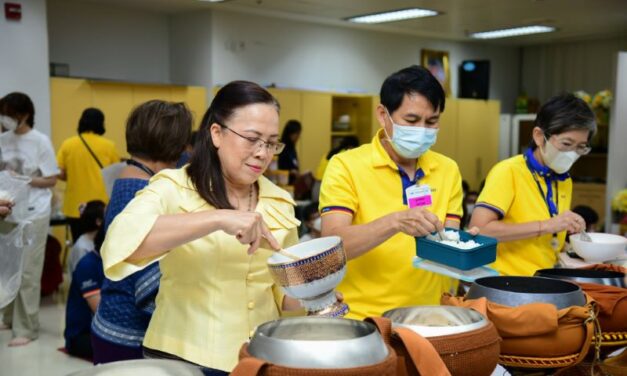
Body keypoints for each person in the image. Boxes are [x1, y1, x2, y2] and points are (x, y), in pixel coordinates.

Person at [100, 81, 303, 374]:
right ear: (216, 133)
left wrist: (313, 293)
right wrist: (218, 218)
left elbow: (281, 291)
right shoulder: (173, 187)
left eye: (271, 143)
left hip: (257, 358)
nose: (263, 152)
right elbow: (120, 244)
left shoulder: (279, 200)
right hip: (184, 358)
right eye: (251, 138)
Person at [319, 66, 467, 320]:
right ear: (382, 114)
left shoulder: (448, 169)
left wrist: (464, 245)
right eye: (411, 121)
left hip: (428, 315)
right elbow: (331, 249)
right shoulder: (346, 166)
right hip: (362, 319)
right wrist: (395, 221)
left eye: (432, 122)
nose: (422, 130)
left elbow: (448, 241)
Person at [92, 100, 192, 364]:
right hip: (128, 336)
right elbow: (149, 286)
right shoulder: (143, 193)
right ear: (175, 148)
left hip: (110, 324)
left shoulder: (127, 177)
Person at [470, 93, 594, 276]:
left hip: (543, 279)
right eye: (566, 144)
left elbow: (549, 238)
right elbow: (480, 230)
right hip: (504, 283)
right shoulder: (508, 171)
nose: (572, 154)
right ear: (539, 136)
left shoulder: (563, 179)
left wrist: (569, 228)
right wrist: (548, 225)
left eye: (580, 147)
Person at [0, 92, 60, 346]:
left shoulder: (40, 141)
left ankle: (27, 327)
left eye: (10, 114)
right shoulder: (3, 139)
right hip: (8, 209)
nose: (5, 119)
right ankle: (9, 316)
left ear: (24, 115)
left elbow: (52, 179)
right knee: (8, 267)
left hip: (34, 211)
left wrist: (23, 178)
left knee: (28, 271)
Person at [57, 108, 120, 241]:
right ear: (101, 123)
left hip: (75, 206)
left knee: (79, 243)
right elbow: (116, 174)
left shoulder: (68, 144)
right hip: (101, 207)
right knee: (103, 245)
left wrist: (74, 174)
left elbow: (59, 173)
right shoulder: (109, 146)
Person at [64, 227, 105, 359]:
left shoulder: (106, 262)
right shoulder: (88, 265)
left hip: (98, 330)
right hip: (81, 335)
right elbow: (100, 310)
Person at [68, 200, 106, 275]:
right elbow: (82, 276)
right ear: (98, 221)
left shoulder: (102, 240)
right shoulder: (82, 247)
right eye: (107, 214)